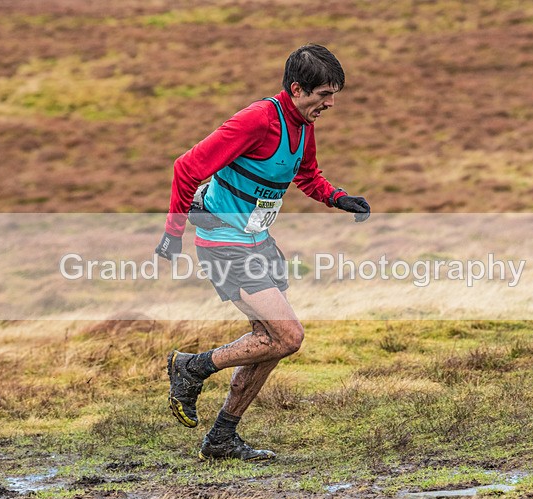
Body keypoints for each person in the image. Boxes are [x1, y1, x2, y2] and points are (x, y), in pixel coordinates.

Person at [155, 43, 371, 461]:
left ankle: (221, 438)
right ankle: (192, 367)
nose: (330, 103)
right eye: (324, 95)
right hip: (224, 244)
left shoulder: (303, 126)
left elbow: (306, 175)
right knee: (289, 336)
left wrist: (337, 198)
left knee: (269, 340)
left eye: (334, 95)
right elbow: (187, 167)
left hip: (259, 243)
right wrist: (173, 232)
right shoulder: (257, 120)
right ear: (297, 88)